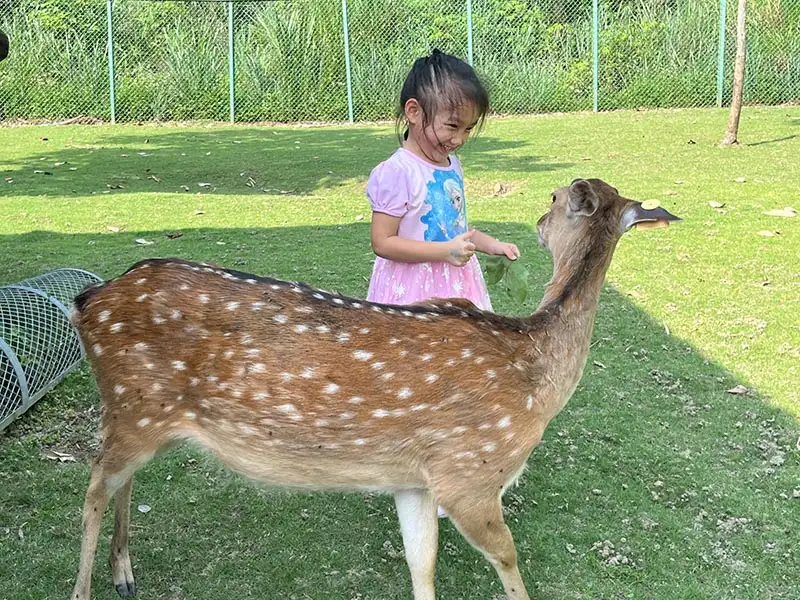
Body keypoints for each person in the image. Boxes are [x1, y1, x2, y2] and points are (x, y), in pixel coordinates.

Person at [366, 49, 519, 312]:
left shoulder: (452, 165)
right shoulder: (397, 172)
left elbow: (457, 229)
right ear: (414, 111)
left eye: (468, 129)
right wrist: (444, 251)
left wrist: (493, 245)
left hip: (457, 284)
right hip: (411, 292)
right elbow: (382, 242)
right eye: (452, 126)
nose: (459, 140)